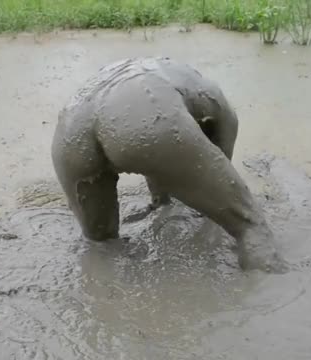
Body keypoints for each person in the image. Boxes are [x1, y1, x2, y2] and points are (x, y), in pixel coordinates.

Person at [51, 57, 287, 273]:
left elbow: (164, 159)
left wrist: (161, 201)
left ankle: (106, 305)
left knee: (100, 244)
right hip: (146, 119)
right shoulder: (215, 101)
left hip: (68, 134)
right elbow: (212, 159)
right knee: (250, 225)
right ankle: (275, 297)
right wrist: (224, 205)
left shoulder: (152, 74)